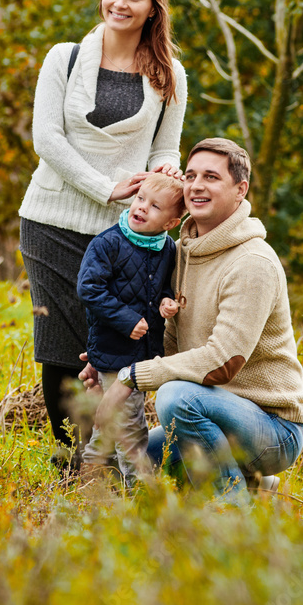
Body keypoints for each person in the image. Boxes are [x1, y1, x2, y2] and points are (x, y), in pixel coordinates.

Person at [18, 0, 187, 464]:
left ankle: (108, 458)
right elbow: (45, 138)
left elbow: (165, 150)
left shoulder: (168, 74)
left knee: (113, 343)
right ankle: (71, 458)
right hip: (50, 221)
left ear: (153, 8)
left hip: (121, 236)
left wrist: (167, 178)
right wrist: (104, 186)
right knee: (60, 342)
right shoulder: (63, 58)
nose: (120, 3)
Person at [82, 137, 303, 500]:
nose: (197, 185)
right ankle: (257, 487)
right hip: (209, 411)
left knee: (175, 398)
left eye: (211, 177)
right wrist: (112, 361)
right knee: (125, 464)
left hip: (270, 427)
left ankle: (233, 511)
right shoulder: (181, 252)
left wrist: (131, 378)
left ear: (241, 189)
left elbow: (222, 361)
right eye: (190, 175)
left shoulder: (253, 263)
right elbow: (168, 341)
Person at [77, 173, 185, 481]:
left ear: (170, 223)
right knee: (131, 426)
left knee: (115, 420)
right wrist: (126, 319)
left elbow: (162, 287)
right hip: (115, 348)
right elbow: (89, 288)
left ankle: (89, 476)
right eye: (140, 199)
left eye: (154, 206)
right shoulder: (108, 243)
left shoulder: (167, 249)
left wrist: (167, 303)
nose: (141, 207)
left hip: (144, 352)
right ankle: (138, 488)